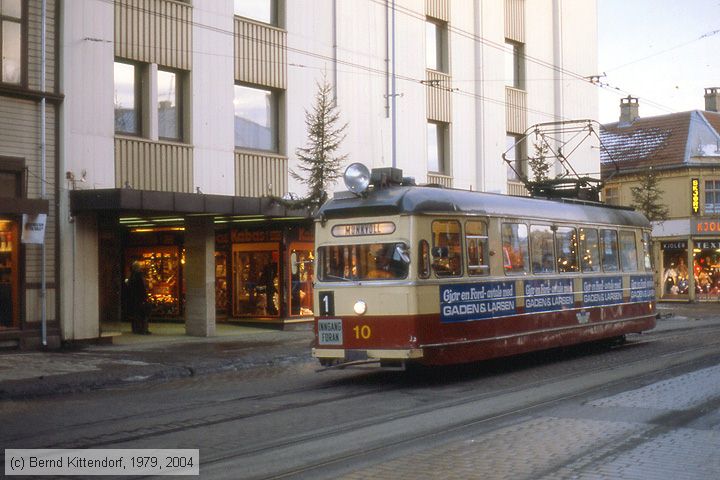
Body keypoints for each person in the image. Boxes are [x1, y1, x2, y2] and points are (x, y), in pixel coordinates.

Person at [127, 261, 150, 334]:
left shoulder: (131, 276)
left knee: (136, 314)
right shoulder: (139, 276)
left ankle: (136, 328)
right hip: (140, 297)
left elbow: (130, 286)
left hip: (134, 298)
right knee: (142, 313)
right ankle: (142, 329)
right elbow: (142, 287)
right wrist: (145, 296)